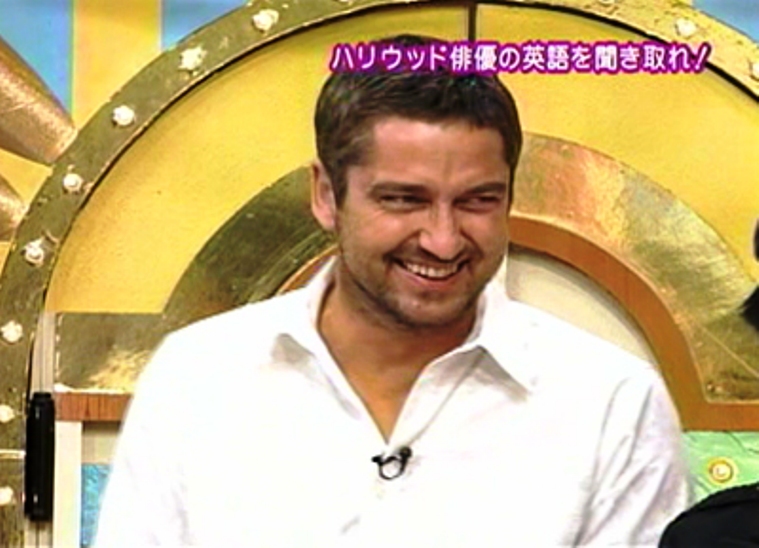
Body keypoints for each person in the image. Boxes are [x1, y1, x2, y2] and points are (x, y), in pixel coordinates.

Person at [95, 35, 690, 547]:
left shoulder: (611, 402)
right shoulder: (198, 378)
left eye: (478, 201)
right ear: (326, 195)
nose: (443, 240)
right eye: (404, 200)